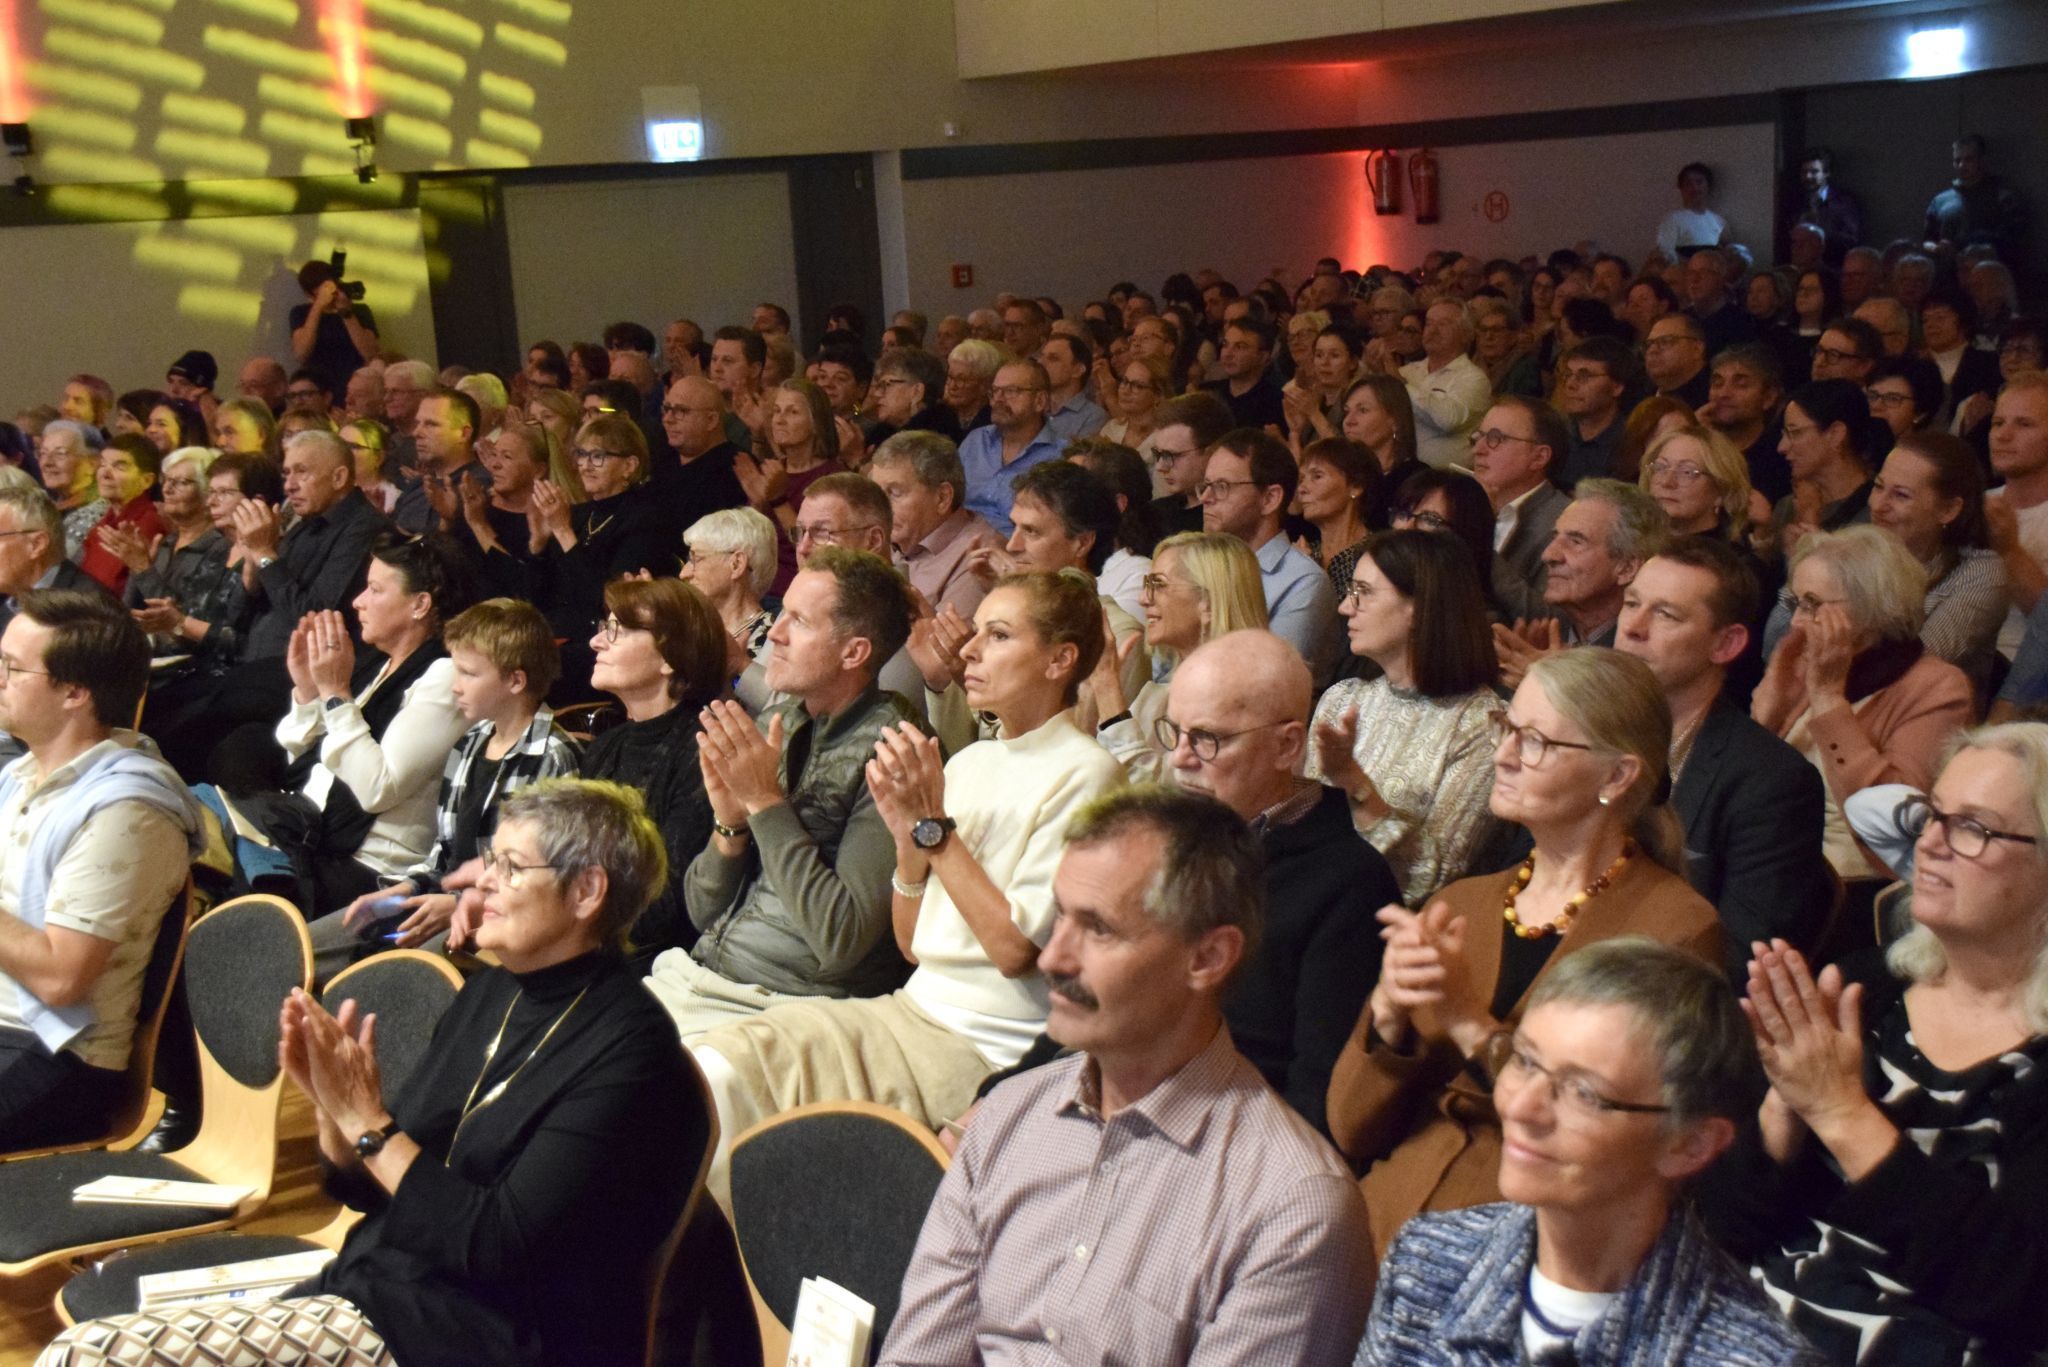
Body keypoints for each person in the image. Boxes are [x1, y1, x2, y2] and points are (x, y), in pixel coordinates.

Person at [49, 778, 698, 1367]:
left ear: (586, 890)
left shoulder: (632, 1052)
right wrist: (335, 1111)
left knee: (92, 1356)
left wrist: (367, 1119)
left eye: (510, 866)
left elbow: (495, 1245)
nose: (481, 883)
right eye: (488, 859)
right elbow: (366, 1187)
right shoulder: (490, 995)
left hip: (488, 1336)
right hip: (382, 1290)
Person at [881, 786, 1374, 1367]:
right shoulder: (1005, 1118)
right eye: (1060, 915)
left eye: (1099, 929)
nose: (1052, 959)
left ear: (1208, 958)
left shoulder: (1292, 1210)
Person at [690, 571, 1124, 1192]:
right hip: (907, 1010)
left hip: (979, 1043)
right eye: (976, 633)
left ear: (1060, 659)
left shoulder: (1087, 773)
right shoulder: (972, 759)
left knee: (741, 1091)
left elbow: (1015, 951)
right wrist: (909, 844)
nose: (968, 650)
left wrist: (934, 834)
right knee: (717, 1066)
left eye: (997, 636)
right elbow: (912, 945)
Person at [1327, 648, 1721, 1259]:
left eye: (1533, 740)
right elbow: (1350, 1128)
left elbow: (1610, 1139)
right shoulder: (1463, 902)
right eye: (1505, 728)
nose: (1503, 754)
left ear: (1616, 777)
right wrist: (1388, 1014)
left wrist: (1466, 1023)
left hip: (1528, 1246)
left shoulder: (1674, 932)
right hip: (1380, 1223)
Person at [1707, 724, 2048, 1365]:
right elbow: (1720, 1228)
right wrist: (1787, 1104)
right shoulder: (1867, 987)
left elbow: (2018, 1298)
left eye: (1973, 827)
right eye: (1933, 813)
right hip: (1744, 1325)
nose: (1932, 843)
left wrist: (1839, 1112)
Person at [1356, 938, 1818, 1366]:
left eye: (1582, 1092)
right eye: (1524, 1060)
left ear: (1689, 1144)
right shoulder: (1428, 1260)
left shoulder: (1754, 1356)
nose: (1519, 1106)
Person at [644, 548, 918, 1037]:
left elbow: (842, 940)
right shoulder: (782, 721)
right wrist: (730, 825)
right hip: (704, 973)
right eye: (782, 613)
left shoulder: (891, 752)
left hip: (790, 1007)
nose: (774, 633)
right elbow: (702, 911)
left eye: (799, 621)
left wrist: (766, 804)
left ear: (853, 652)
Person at [1160, 632, 1400, 1132]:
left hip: (1222, 1142)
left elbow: (1315, 1098)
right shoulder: (1165, 837)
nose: (1179, 757)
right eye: (1174, 731)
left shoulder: (1350, 884)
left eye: (1207, 739)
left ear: (1286, 745)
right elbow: (1091, 989)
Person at [0, 590, 199, 1152]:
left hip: (53, 1057)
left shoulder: (125, 811)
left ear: (74, 692)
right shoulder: (19, 775)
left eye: (12, 668)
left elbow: (63, 979)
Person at [311, 598, 577, 981]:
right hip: (443, 900)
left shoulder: (553, 758)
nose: (456, 687)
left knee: (375, 980)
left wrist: (454, 904)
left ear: (515, 681)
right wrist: (402, 888)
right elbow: (445, 854)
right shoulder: (470, 742)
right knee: (303, 948)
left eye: (469, 674)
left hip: (491, 919)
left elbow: (539, 878)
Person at [1616, 539, 1833, 972]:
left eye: (1665, 614)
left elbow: (1737, 961)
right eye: (1630, 603)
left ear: (1726, 644)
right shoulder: (1581, 734)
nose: (1633, 627)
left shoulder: (1771, 782)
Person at [1751, 525, 1975, 881]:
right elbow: (1748, 782)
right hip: (1766, 860)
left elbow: (1892, 831)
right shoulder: (1804, 659)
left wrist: (1827, 698)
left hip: (1851, 888)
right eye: (1795, 603)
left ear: (1872, 610)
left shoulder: (1938, 689)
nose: (1795, 621)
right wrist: (1767, 710)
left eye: (1810, 604)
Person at [270, 534, 476, 910]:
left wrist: (335, 693)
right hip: (310, 833)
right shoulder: (378, 666)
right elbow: (314, 769)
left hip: (367, 870)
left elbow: (377, 788)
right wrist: (309, 692)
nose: (357, 602)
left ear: (420, 604)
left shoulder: (445, 676)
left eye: (374, 590)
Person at [1310, 530, 1502, 904]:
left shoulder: (1483, 724)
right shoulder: (1342, 698)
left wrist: (1353, 780)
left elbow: (1433, 878)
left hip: (1401, 935)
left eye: (1363, 593)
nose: (1345, 608)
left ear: (1418, 607)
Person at [576, 576, 727, 956]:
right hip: (590, 936)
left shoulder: (703, 749)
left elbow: (667, 906)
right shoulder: (607, 747)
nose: (596, 642)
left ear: (670, 656)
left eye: (618, 630)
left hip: (654, 960)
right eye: (602, 627)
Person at [1093, 530, 1265, 781]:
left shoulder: (1245, 702)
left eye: (1158, 585)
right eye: (1146, 585)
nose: (1143, 599)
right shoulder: (1154, 697)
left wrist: (1107, 692)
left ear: (1208, 601)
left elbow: (1158, 802)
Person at [528, 412, 669, 699]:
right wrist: (539, 545)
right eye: (581, 454)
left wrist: (564, 533)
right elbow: (538, 594)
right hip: (556, 631)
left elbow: (608, 601)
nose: (584, 465)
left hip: (601, 640)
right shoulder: (577, 515)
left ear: (629, 465)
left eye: (598, 456)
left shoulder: (645, 519)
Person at [1867, 430, 2007, 689]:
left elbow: (1912, 670)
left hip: (1923, 720)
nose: (1878, 506)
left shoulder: (1982, 574)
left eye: (1901, 495)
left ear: (1948, 510)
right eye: (1878, 487)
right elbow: (1782, 629)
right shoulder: (1861, 548)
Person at [1200, 428, 1340, 686]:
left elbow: (1268, 685)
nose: (1206, 498)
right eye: (1206, 485)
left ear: (1270, 499)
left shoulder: (1303, 583)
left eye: (1222, 486)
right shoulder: (1198, 568)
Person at [870, 430, 1003, 620]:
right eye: (878, 493)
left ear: (942, 498)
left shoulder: (980, 556)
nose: (880, 506)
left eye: (895, 493)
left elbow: (943, 647)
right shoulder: (887, 538)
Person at [1468, 396, 1572, 622]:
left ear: (1539, 457)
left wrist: (1479, 541)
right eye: (1478, 437)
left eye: (1495, 439)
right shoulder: (1465, 503)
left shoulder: (1564, 522)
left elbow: (1552, 620)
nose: (1478, 449)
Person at [960, 358, 1063, 537]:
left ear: (1039, 400)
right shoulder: (976, 441)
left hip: (1015, 554)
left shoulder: (1059, 457)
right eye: (994, 391)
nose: (998, 399)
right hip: (955, 547)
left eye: (1011, 391)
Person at [679, 506, 778, 664]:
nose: (683, 573)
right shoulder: (689, 630)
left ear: (737, 564)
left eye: (695, 559)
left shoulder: (772, 640)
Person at [1400, 301, 1492, 468]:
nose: (1433, 331)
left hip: (1447, 482)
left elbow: (1448, 420)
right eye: (1429, 323)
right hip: (1403, 474)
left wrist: (1401, 387)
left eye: (1443, 324)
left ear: (1466, 334)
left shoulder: (1474, 378)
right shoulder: (1407, 372)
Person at [652, 373, 748, 531]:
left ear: (711, 420)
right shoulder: (663, 459)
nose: (667, 419)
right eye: (667, 409)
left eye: (681, 411)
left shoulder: (735, 471)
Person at [1922, 133, 2028, 265]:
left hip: (1988, 276)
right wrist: (1937, 249)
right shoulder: (1940, 201)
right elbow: (1927, 240)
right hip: (1948, 276)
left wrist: (1962, 245)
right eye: (1957, 160)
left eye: (1968, 159)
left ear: (1982, 160)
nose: (1962, 165)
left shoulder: (2003, 198)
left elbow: (2013, 241)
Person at [1294, 436, 1378, 593]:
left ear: (1356, 486)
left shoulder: (1377, 556)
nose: (1302, 488)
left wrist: (1307, 574)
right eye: (1302, 479)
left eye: (1317, 476)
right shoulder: (1304, 553)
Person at [1339, 374, 1424, 527]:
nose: (1349, 421)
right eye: (1346, 411)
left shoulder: (1415, 478)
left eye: (1363, 410)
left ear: (1395, 421)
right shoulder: (1342, 474)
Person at [288, 258, 380, 398]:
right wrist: (318, 306)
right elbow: (301, 353)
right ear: (309, 294)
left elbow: (370, 353)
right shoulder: (301, 313)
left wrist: (346, 312)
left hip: (354, 385)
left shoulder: (360, 311)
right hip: (317, 388)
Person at [1148, 391, 1233, 537]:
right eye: (1158, 455)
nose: (1160, 467)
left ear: (1212, 453)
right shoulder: (1151, 516)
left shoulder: (1229, 522)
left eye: (1172, 455)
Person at [1555, 337, 1634, 486]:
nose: (1570, 384)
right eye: (1567, 374)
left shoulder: (1631, 445)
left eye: (1584, 376)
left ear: (1617, 386)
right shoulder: (1555, 435)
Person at [36, 420, 108, 563]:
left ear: (92, 463)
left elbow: (55, 564)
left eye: (60, 454)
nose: (47, 463)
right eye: (43, 453)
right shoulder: (56, 503)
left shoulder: (97, 511)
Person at [1202, 314, 1287, 432]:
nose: (1228, 354)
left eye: (1240, 347)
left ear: (1263, 357)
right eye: (1225, 345)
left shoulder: (1276, 403)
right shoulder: (1209, 394)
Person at [1796, 147, 1862, 264]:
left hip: (1833, 267)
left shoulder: (1844, 202)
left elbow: (1852, 239)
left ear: (1827, 173)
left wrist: (1819, 233)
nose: (1808, 176)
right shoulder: (1794, 202)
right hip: (1802, 268)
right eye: (1804, 172)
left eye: (1814, 172)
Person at [1098, 353, 1171, 458]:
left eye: (1138, 386)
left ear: (1158, 395)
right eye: (1124, 381)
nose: (1126, 390)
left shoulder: (1167, 437)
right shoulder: (1112, 428)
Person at [1038, 332, 1108, 442]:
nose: (1041, 362)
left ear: (1078, 370)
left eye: (1053, 358)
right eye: (1041, 357)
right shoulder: (1032, 407)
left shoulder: (1093, 416)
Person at [1656, 161, 1730, 259]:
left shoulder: (1719, 221)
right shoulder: (1672, 220)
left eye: (1699, 182)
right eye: (1688, 183)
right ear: (1681, 188)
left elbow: (1729, 253)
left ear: (1708, 186)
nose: (1694, 187)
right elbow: (1665, 252)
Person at [1644, 314, 1712, 410]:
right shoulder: (1640, 399)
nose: (1652, 350)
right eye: (1649, 344)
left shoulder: (1715, 397)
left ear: (1697, 349)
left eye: (1665, 341)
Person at [943, 337, 1002, 435]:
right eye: (950, 377)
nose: (953, 386)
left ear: (984, 384)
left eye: (961, 379)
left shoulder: (995, 423)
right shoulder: (933, 417)